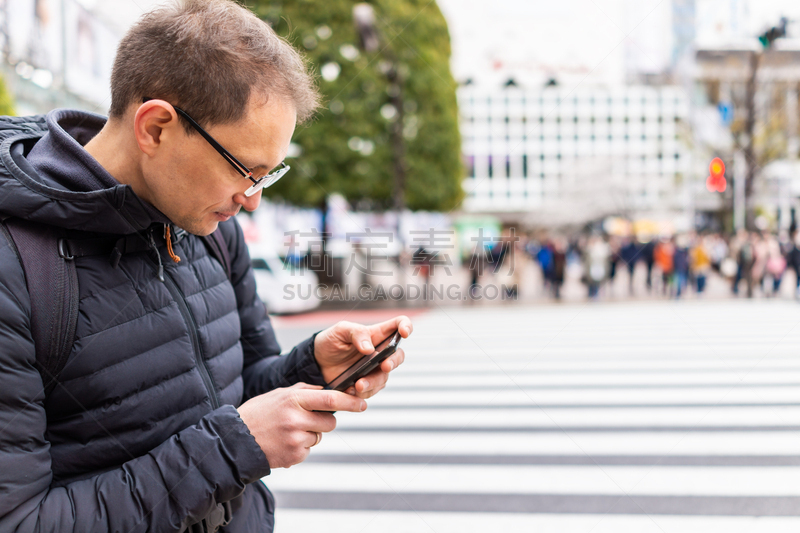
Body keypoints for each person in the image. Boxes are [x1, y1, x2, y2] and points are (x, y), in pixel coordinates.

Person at [0, 2, 412, 532]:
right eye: (246, 170)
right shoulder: (17, 266)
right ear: (155, 128)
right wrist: (230, 448)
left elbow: (240, 389)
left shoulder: (210, 228)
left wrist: (309, 368)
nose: (253, 199)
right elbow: (19, 521)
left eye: (268, 175)